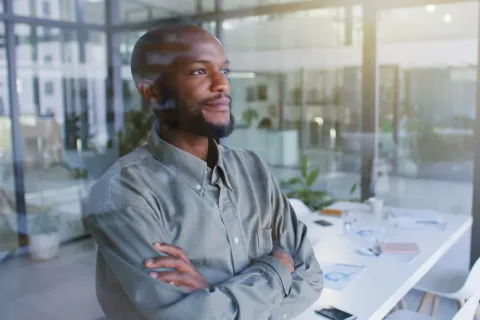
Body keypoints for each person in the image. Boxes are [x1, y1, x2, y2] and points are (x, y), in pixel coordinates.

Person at [85, 24, 323, 320]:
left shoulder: (253, 169)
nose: (222, 85)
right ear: (153, 91)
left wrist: (214, 297)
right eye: (199, 71)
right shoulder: (123, 195)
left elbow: (311, 276)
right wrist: (274, 269)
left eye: (224, 71)